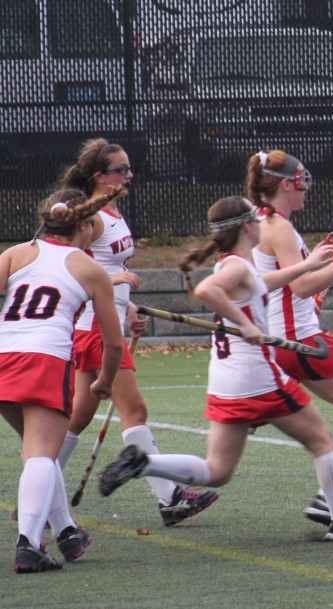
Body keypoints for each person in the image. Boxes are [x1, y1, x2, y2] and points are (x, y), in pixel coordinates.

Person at [97, 197, 333, 541]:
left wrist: (310, 265)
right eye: (257, 219)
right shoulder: (235, 268)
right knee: (324, 443)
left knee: (217, 470)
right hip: (259, 378)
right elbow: (206, 290)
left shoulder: (235, 265)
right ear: (247, 226)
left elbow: (266, 282)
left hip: (225, 381)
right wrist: (244, 324)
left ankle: (144, 463)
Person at [56, 138, 218, 526]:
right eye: (121, 170)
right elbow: (64, 264)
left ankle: (41, 486)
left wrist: (127, 308)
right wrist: (113, 279)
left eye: (129, 169)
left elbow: (106, 273)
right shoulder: (91, 220)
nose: (129, 175)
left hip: (104, 318)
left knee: (78, 416)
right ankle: (171, 498)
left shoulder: (113, 214)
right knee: (136, 411)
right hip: (94, 325)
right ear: (100, 177)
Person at [245, 150, 333, 531]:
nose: (306, 188)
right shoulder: (278, 227)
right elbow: (303, 285)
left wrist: (327, 264)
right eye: (302, 181)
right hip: (298, 340)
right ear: (288, 184)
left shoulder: (262, 222)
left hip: (285, 338)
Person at [1, 189, 124, 573]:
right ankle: (29, 544)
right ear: (84, 225)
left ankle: (67, 530)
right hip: (45, 359)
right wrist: (104, 381)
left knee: (39, 450)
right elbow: (114, 343)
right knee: (41, 452)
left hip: (3, 355)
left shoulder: (15, 253)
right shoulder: (90, 269)